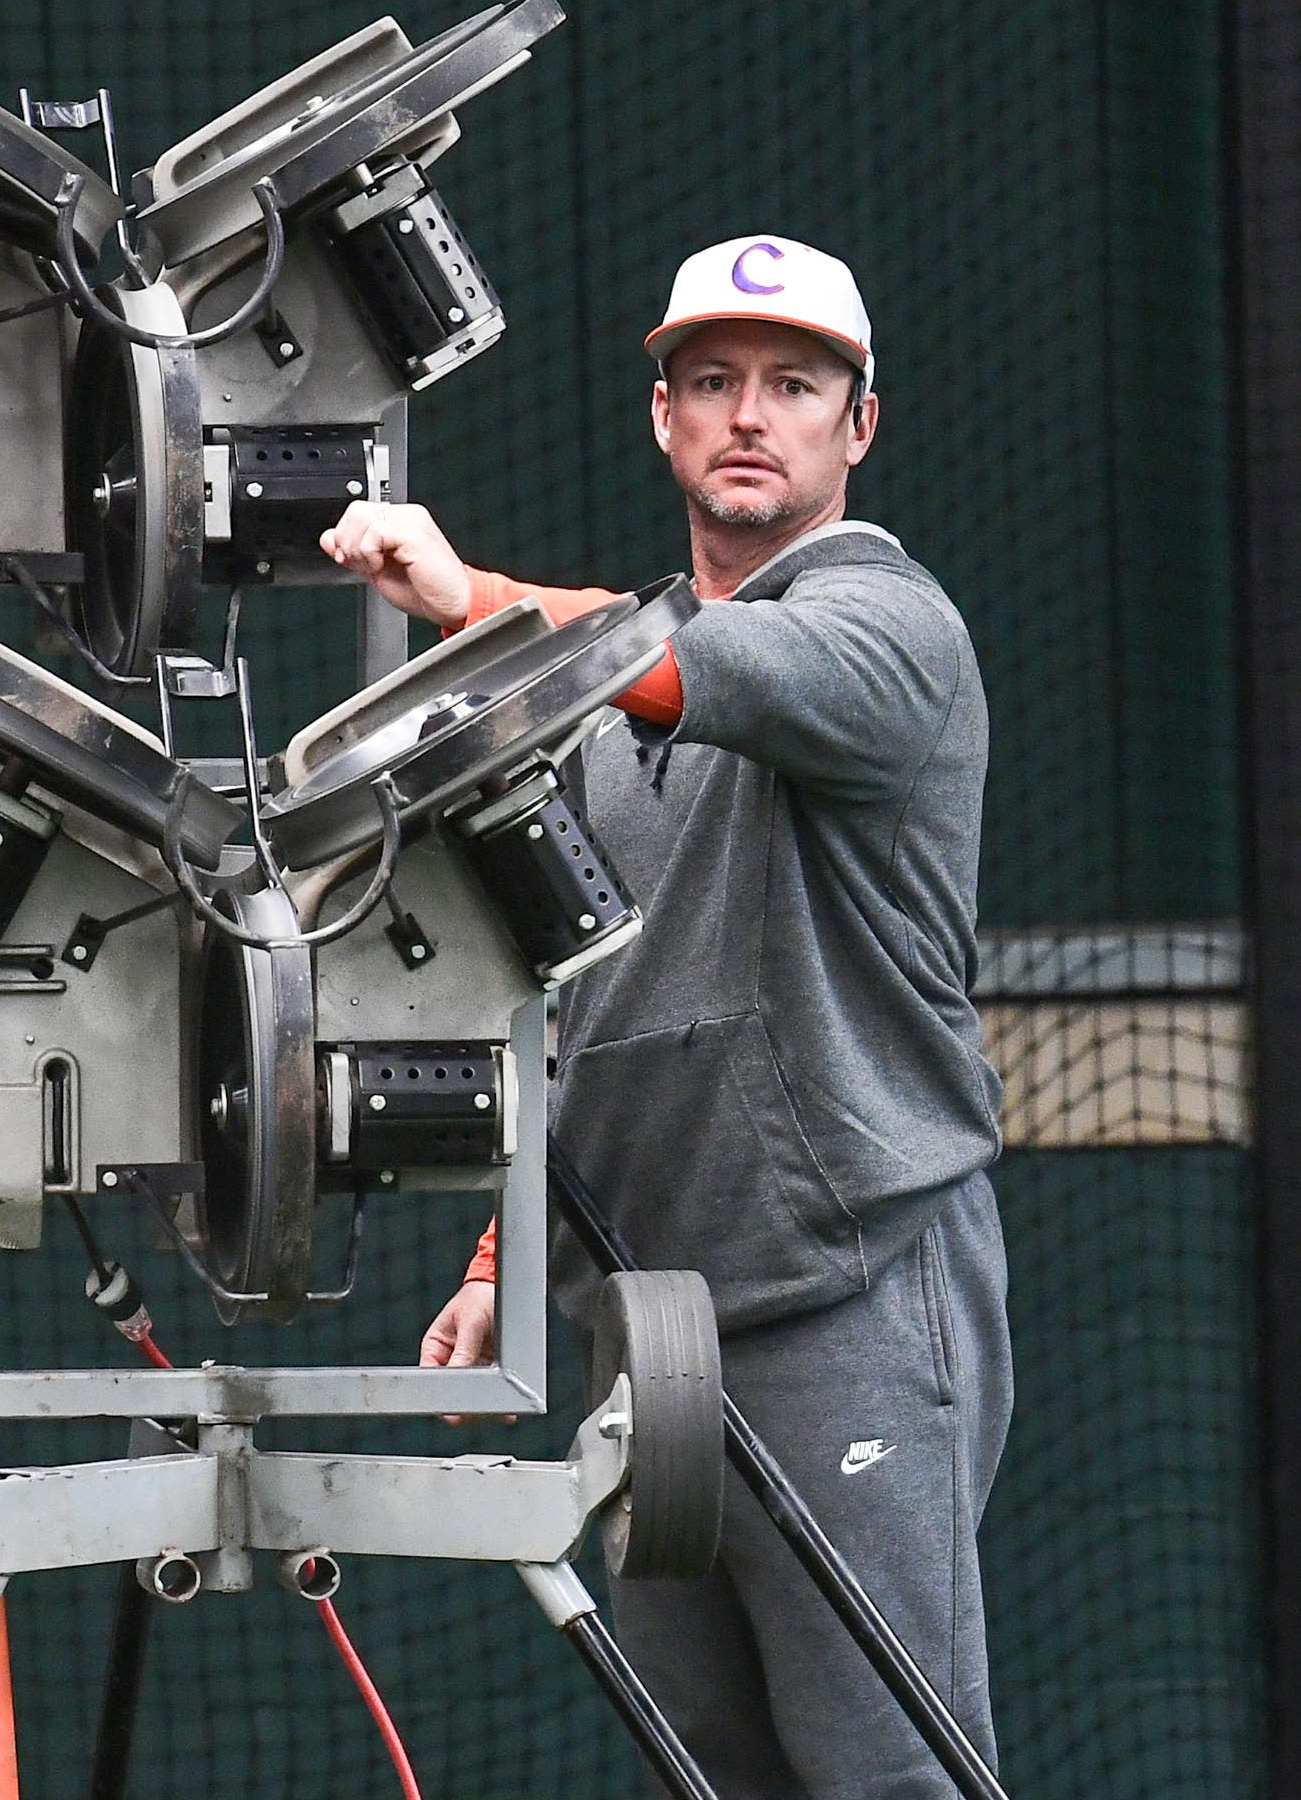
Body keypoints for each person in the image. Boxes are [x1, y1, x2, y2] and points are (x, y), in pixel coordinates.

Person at [320, 235, 1011, 1798]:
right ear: (663, 422)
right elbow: (573, 993)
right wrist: (508, 1255)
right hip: (653, 1328)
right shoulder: (605, 685)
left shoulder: (890, 628)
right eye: (712, 384)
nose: (749, 415)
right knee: (707, 1775)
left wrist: (471, 604)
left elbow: (710, 668)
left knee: (893, 1773)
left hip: (848, 1295)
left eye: (793, 384)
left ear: (860, 426)